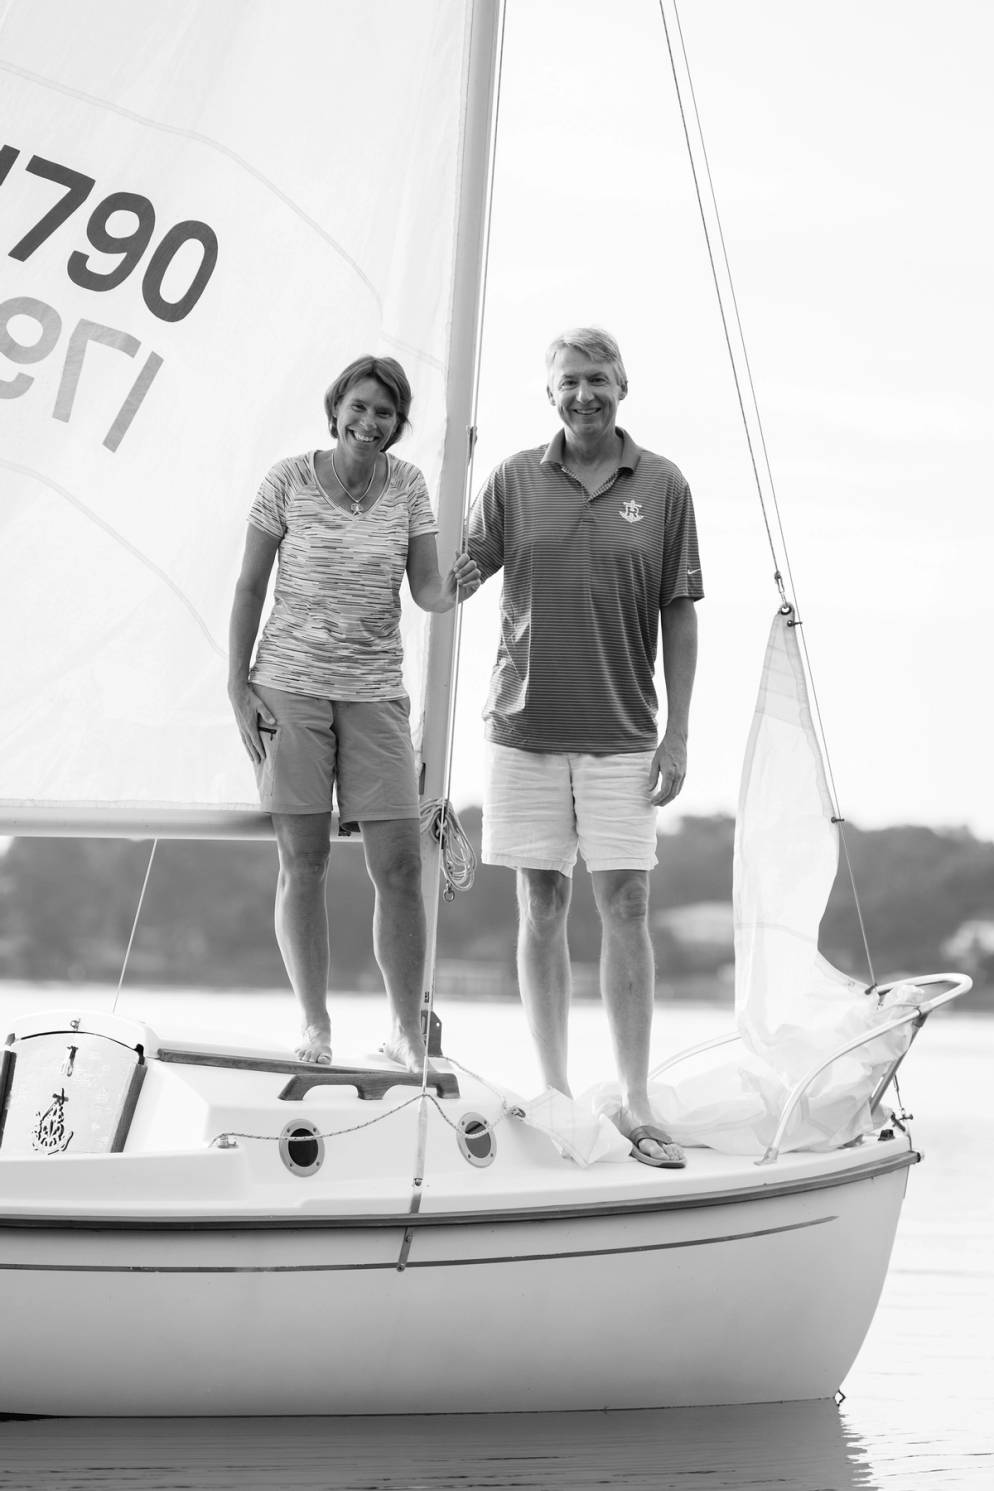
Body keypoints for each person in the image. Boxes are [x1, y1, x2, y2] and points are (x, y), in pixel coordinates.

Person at [467, 327, 702, 1168]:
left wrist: (677, 731)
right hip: (525, 730)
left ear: (623, 386)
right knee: (541, 905)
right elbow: (457, 575)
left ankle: (635, 1098)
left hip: (623, 733)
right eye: (569, 381)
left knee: (628, 908)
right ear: (550, 393)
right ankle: (558, 1089)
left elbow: (681, 608)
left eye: (598, 379)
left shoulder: (664, 485)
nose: (584, 394)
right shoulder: (513, 480)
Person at [228, 355, 480, 1069]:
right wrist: (236, 686)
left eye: (386, 412)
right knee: (301, 861)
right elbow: (249, 586)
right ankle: (315, 1025)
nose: (370, 422)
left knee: (400, 865)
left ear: (400, 424)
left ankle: (405, 1027)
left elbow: (426, 590)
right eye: (360, 406)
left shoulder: (408, 487)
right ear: (336, 406)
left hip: (375, 691)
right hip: (290, 685)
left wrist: (455, 586)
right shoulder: (287, 480)